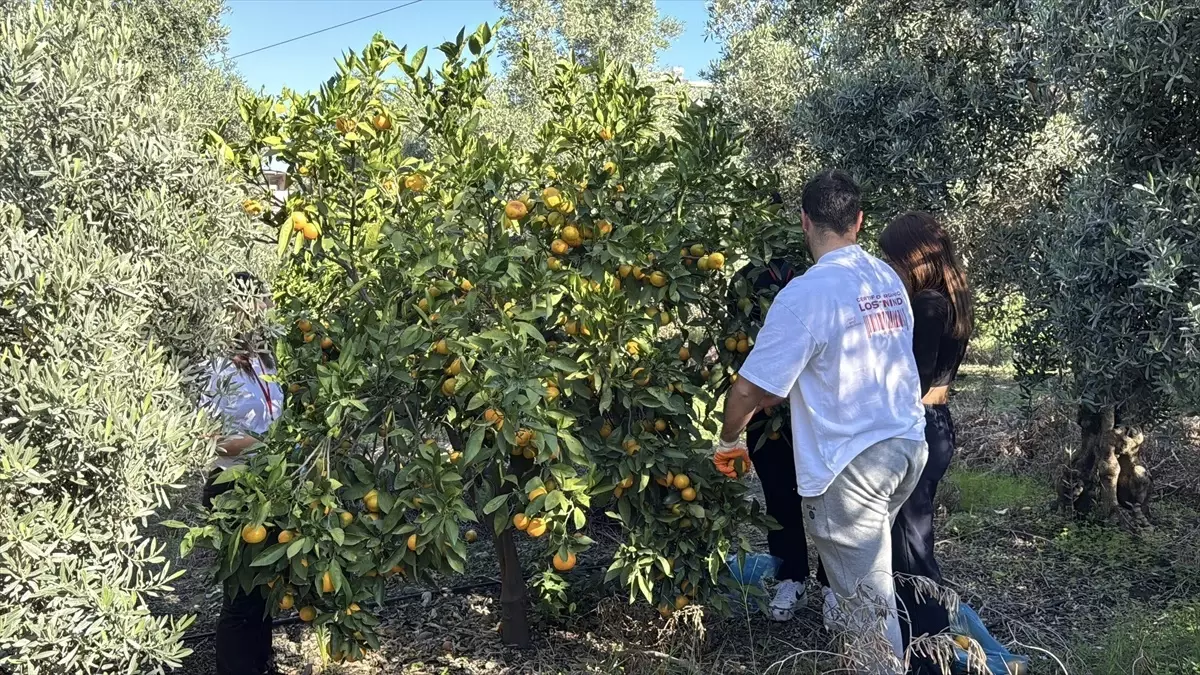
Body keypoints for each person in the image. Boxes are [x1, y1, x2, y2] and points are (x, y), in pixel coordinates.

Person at [714, 170, 928, 673]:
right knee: (869, 584)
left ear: (805, 220)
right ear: (858, 221)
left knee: (867, 612)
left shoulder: (808, 294)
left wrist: (727, 440)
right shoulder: (885, 279)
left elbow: (752, 388)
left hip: (851, 467)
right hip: (905, 448)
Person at [878, 212, 972, 659]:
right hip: (939, 425)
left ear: (912, 259)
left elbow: (917, 378)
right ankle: (924, 641)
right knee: (911, 539)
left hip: (923, 425)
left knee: (912, 548)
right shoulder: (952, 296)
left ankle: (931, 650)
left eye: (892, 258)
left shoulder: (928, 303)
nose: (889, 267)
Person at [728, 259, 823, 621]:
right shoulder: (745, 279)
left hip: (813, 412)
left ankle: (832, 585)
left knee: (829, 503)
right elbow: (737, 343)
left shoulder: (815, 277)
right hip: (765, 414)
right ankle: (790, 577)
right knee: (780, 500)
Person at [202, 272, 282, 675]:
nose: (267, 309)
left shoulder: (261, 359)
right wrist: (256, 446)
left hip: (269, 484)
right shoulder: (214, 365)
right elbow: (202, 436)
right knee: (241, 594)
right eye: (260, 302)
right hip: (230, 485)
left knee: (265, 585)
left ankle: (260, 664)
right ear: (238, 308)